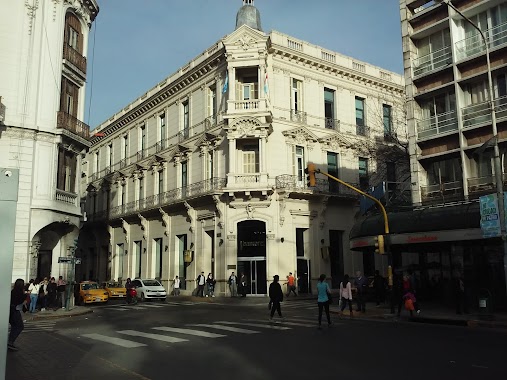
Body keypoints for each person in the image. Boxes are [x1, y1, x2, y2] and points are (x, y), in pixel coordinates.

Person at [8, 279, 26, 351]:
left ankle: (10, 341)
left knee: (15, 326)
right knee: (19, 326)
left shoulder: (13, 291)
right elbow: (18, 301)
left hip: (12, 311)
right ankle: (10, 341)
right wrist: (24, 295)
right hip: (15, 311)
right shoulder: (18, 292)